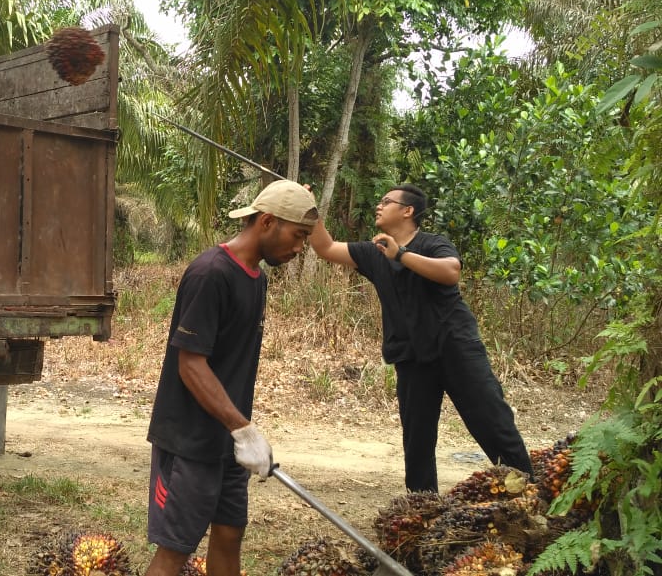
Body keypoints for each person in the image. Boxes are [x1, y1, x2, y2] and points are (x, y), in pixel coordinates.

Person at [307, 183, 533, 493]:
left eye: (387, 201)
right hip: (412, 358)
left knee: (494, 425)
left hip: (456, 350)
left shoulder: (431, 244)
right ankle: (422, 512)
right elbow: (326, 248)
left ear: (407, 211)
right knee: (417, 442)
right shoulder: (374, 252)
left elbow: (451, 271)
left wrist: (401, 254)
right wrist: (309, 209)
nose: (379, 205)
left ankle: (532, 494)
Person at [143, 180, 319, 576]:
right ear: (268, 222)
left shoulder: (256, 277)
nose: (299, 248)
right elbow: (190, 364)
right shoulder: (211, 273)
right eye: (298, 236)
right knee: (176, 548)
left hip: (228, 442)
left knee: (228, 534)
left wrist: (239, 433)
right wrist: (242, 429)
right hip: (190, 440)